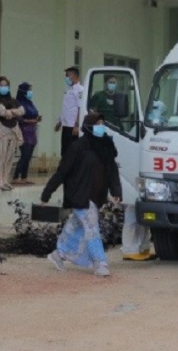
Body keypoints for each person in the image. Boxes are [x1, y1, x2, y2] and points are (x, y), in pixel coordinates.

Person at [42, 112, 122, 277]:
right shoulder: (78, 147)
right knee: (92, 228)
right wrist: (47, 192)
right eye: (97, 123)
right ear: (88, 126)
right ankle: (100, 263)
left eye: (102, 123)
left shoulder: (106, 146)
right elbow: (62, 171)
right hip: (80, 195)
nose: (101, 126)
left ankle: (59, 254)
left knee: (76, 227)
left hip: (97, 196)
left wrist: (116, 191)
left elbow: (112, 171)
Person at [0, 76, 24, 191]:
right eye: (1, 85)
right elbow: (2, 113)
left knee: (8, 158)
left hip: (11, 132)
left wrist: (11, 111)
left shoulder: (12, 100)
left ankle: (5, 179)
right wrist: (14, 112)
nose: (3, 87)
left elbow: (22, 110)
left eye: (5, 85)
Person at [12, 82, 41, 185]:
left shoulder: (30, 102)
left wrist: (37, 119)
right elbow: (16, 117)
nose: (30, 92)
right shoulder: (17, 103)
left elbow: (35, 113)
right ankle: (15, 177)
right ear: (23, 91)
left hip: (32, 131)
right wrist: (28, 121)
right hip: (23, 131)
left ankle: (24, 177)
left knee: (29, 156)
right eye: (29, 90)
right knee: (25, 154)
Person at [55, 66, 83, 158]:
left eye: (68, 75)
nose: (66, 78)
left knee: (72, 152)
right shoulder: (69, 90)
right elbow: (65, 108)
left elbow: (80, 108)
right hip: (66, 125)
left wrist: (77, 125)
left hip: (73, 126)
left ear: (74, 76)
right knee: (65, 151)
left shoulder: (80, 90)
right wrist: (59, 121)